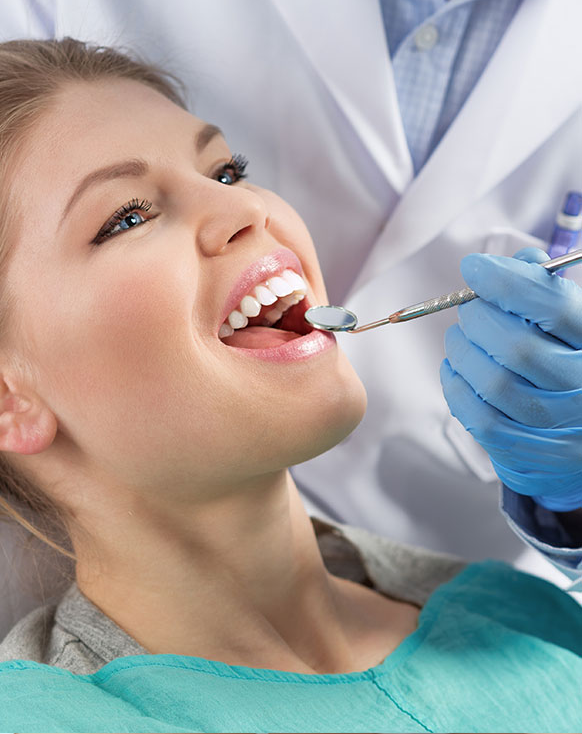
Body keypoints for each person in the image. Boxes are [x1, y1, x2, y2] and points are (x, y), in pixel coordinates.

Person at [0, 37, 580, 733]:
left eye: (225, 170)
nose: (246, 210)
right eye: (128, 216)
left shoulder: (522, 617)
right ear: (9, 398)